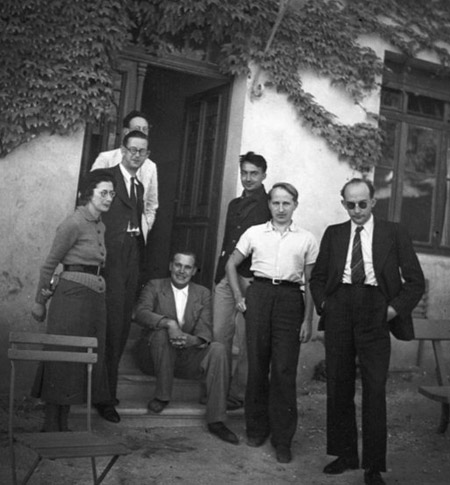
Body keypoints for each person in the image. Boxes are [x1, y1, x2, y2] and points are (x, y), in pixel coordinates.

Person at [309, 178, 425, 485]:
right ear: (343, 203)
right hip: (340, 309)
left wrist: (390, 310)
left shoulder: (394, 233)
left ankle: (373, 466)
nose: (357, 210)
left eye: (363, 204)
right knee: (339, 386)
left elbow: (415, 281)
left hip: (376, 308)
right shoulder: (334, 234)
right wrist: (325, 305)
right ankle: (345, 455)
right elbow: (318, 277)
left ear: (373, 202)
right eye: (350, 204)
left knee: (374, 390)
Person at [226, 182, 318, 463]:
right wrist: (240, 297)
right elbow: (231, 264)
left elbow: (311, 281)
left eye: (286, 203)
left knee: (283, 370)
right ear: (269, 204)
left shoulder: (307, 239)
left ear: (295, 205)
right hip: (260, 296)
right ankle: (256, 429)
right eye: (276, 203)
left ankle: (282, 440)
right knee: (257, 366)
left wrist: (307, 319)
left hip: (291, 299)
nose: (280, 209)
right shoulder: (254, 233)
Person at [31, 171, 117, 431]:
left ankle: (63, 422)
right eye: (103, 192)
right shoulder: (73, 223)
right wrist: (39, 301)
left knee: (79, 356)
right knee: (63, 357)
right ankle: (50, 423)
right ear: (88, 193)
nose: (109, 198)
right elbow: (49, 265)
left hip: (93, 299)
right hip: (70, 299)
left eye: (112, 193)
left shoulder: (100, 225)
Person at [134, 250, 239, 445]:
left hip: (184, 357)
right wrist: (169, 324)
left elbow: (205, 331)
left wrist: (190, 340)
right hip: (153, 357)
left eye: (187, 267)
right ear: (170, 266)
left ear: (194, 271)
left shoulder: (203, 293)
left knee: (217, 348)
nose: (181, 271)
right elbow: (140, 313)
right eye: (178, 265)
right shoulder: (154, 286)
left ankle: (216, 419)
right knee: (161, 334)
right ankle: (162, 396)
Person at [94, 130, 148, 421]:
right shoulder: (108, 179)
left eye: (142, 151)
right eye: (132, 150)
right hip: (109, 263)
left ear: (146, 155)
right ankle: (103, 398)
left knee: (120, 330)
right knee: (110, 330)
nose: (136, 155)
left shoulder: (138, 185)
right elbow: (92, 214)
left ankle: (106, 392)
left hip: (130, 264)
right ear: (123, 151)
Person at [213, 151, 271, 410]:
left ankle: (238, 394)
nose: (248, 179)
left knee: (248, 339)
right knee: (219, 334)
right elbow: (229, 242)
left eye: (254, 174)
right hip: (228, 276)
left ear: (263, 175)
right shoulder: (234, 205)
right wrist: (220, 275)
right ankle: (217, 390)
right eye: (244, 173)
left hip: (253, 279)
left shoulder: (271, 204)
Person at [91, 110, 158, 235]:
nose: (141, 133)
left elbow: (151, 203)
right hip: (107, 230)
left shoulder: (151, 166)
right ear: (125, 132)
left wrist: (146, 225)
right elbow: (91, 195)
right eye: (137, 129)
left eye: (145, 129)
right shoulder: (106, 159)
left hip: (136, 235)